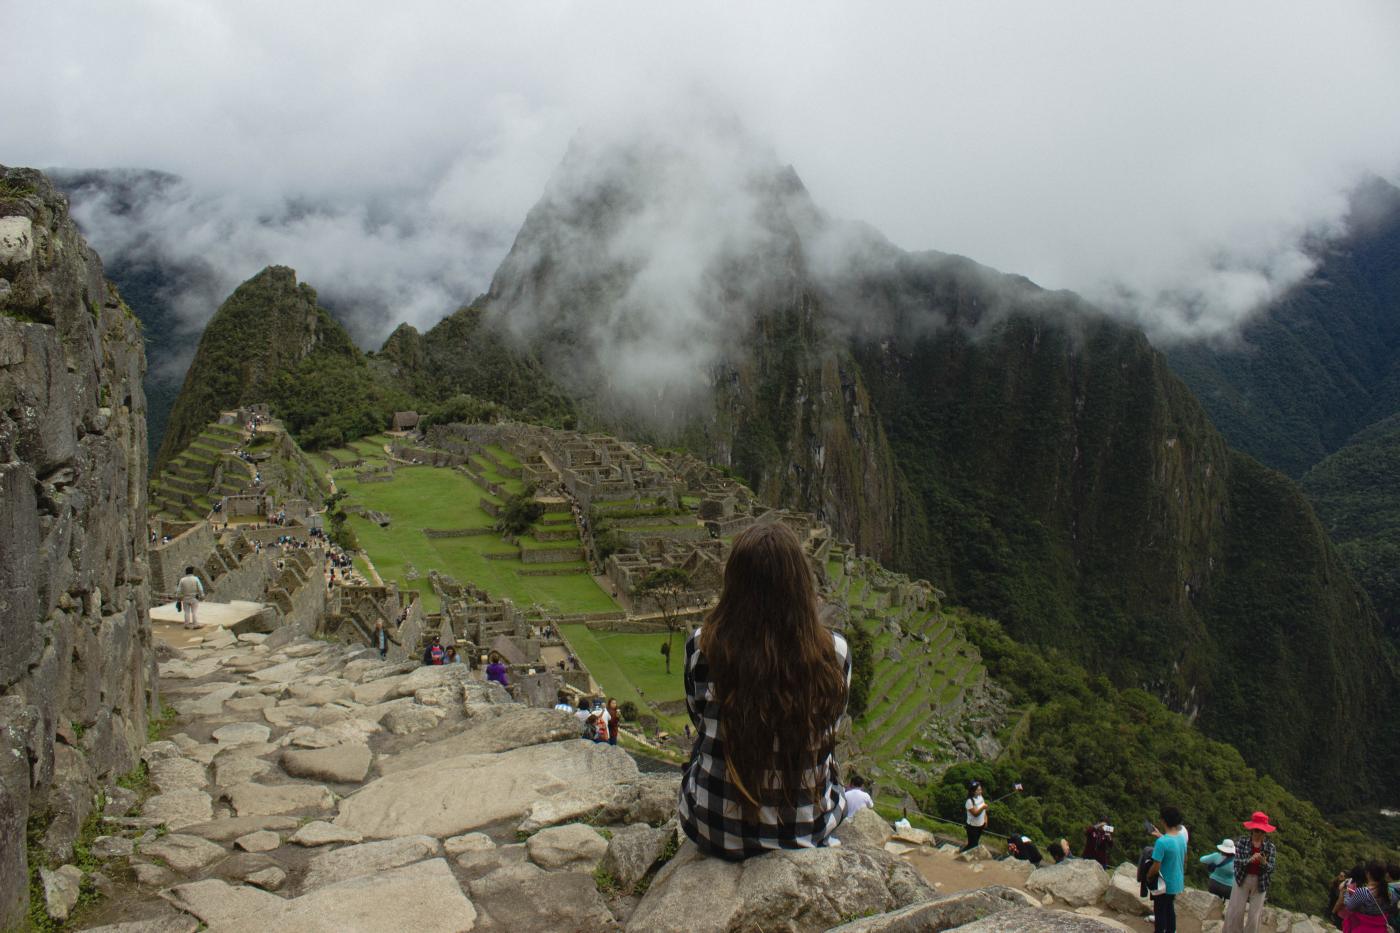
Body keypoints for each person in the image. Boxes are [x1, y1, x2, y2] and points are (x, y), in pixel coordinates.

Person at [677, 522, 851, 860]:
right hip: (806, 828)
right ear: (801, 585)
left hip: (714, 827)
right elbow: (832, 725)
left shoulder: (702, 646)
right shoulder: (836, 652)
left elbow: (699, 720)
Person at [1225, 811, 1277, 933]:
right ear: (1252, 830)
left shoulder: (1270, 847)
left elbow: (1271, 869)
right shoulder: (1242, 842)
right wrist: (1249, 860)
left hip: (1261, 881)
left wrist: (1264, 863)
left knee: (1255, 916)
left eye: (1262, 831)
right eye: (1256, 830)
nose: (1258, 834)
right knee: (1236, 911)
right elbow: (1236, 862)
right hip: (1242, 878)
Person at [1146, 806, 1187, 933]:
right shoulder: (1181, 838)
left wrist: (1148, 875)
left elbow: (1156, 866)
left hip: (1163, 883)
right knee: (1169, 908)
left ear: (1163, 821)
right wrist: (1160, 835)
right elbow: (1180, 855)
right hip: (1176, 880)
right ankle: (1171, 930)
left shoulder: (1162, 842)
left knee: (1160, 911)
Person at [1335, 861, 1397, 932]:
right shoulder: (1390, 892)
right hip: (1380, 930)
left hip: (1362, 928)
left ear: (1368, 874)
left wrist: (1346, 893)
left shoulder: (1363, 892)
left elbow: (1349, 906)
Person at [964, 781, 988, 851]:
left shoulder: (980, 797)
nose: (980, 791)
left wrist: (986, 820)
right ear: (973, 791)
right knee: (973, 845)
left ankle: (962, 854)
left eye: (980, 789)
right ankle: (963, 855)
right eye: (978, 790)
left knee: (973, 843)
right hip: (972, 827)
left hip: (980, 825)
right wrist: (983, 807)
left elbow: (984, 810)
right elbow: (975, 814)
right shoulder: (969, 801)